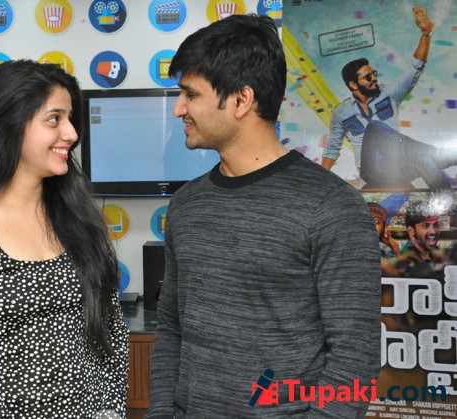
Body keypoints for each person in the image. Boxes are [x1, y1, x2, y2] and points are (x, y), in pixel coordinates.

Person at [147, 13, 381, 419]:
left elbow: (354, 357)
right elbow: (171, 330)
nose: (178, 109)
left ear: (241, 100)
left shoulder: (332, 207)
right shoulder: (186, 204)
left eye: (190, 94)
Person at [0, 60, 129, 419]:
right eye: (54, 119)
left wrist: (111, 411)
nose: (71, 133)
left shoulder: (78, 217)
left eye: (70, 118)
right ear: (11, 124)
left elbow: (112, 333)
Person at [322, 4, 457, 190]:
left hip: (399, 165)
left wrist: (426, 34)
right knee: (375, 127)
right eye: (368, 77)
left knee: (424, 158)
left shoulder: (389, 93)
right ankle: (444, 155)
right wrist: (318, 181)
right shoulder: (341, 112)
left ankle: (448, 201)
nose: (374, 79)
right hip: (373, 171)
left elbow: (415, 67)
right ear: (353, 85)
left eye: (374, 74)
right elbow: (332, 149)